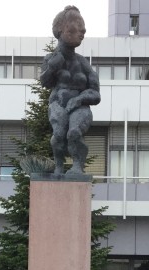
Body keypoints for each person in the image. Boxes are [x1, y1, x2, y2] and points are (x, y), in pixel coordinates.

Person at [40, 5, 100, 175]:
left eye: (83, 29)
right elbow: (45, 81)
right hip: (58, 103)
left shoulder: (83, 63)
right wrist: (52, 67)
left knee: (74, 132)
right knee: (58, 134)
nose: (82, 32)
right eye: (75, 27)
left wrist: (80, 99)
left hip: (80, 106)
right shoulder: (51, 59)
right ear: (59, 29)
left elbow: (96, 94)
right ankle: (59, 166)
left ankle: (77, 166)